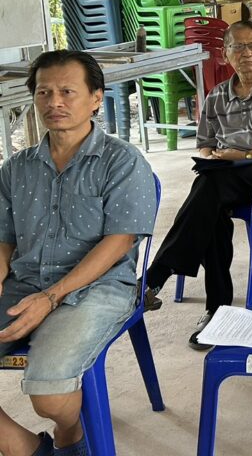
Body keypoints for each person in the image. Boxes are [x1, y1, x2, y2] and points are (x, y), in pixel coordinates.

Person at [0, 50, 157, 456]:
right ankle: (28, 448)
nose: (54, 102)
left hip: (98, 288)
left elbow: (119, 241)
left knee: (50, 398)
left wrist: (52, 297)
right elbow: (5, 238)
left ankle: (69, 432)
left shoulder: (122, 161)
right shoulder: (16, 168)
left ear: (95, 99)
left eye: (67, 91)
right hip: (24, 283)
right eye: (44, 92)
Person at [143, 21, 252, 348]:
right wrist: (213, 157)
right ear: (224, 53)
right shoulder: (217, 95)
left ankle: (157, 278)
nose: (247, 53)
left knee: (208, 189)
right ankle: (217, 311)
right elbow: (204, 144)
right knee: (211, 207)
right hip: (226, 172)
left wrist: (246, 155)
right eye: (238, 47)